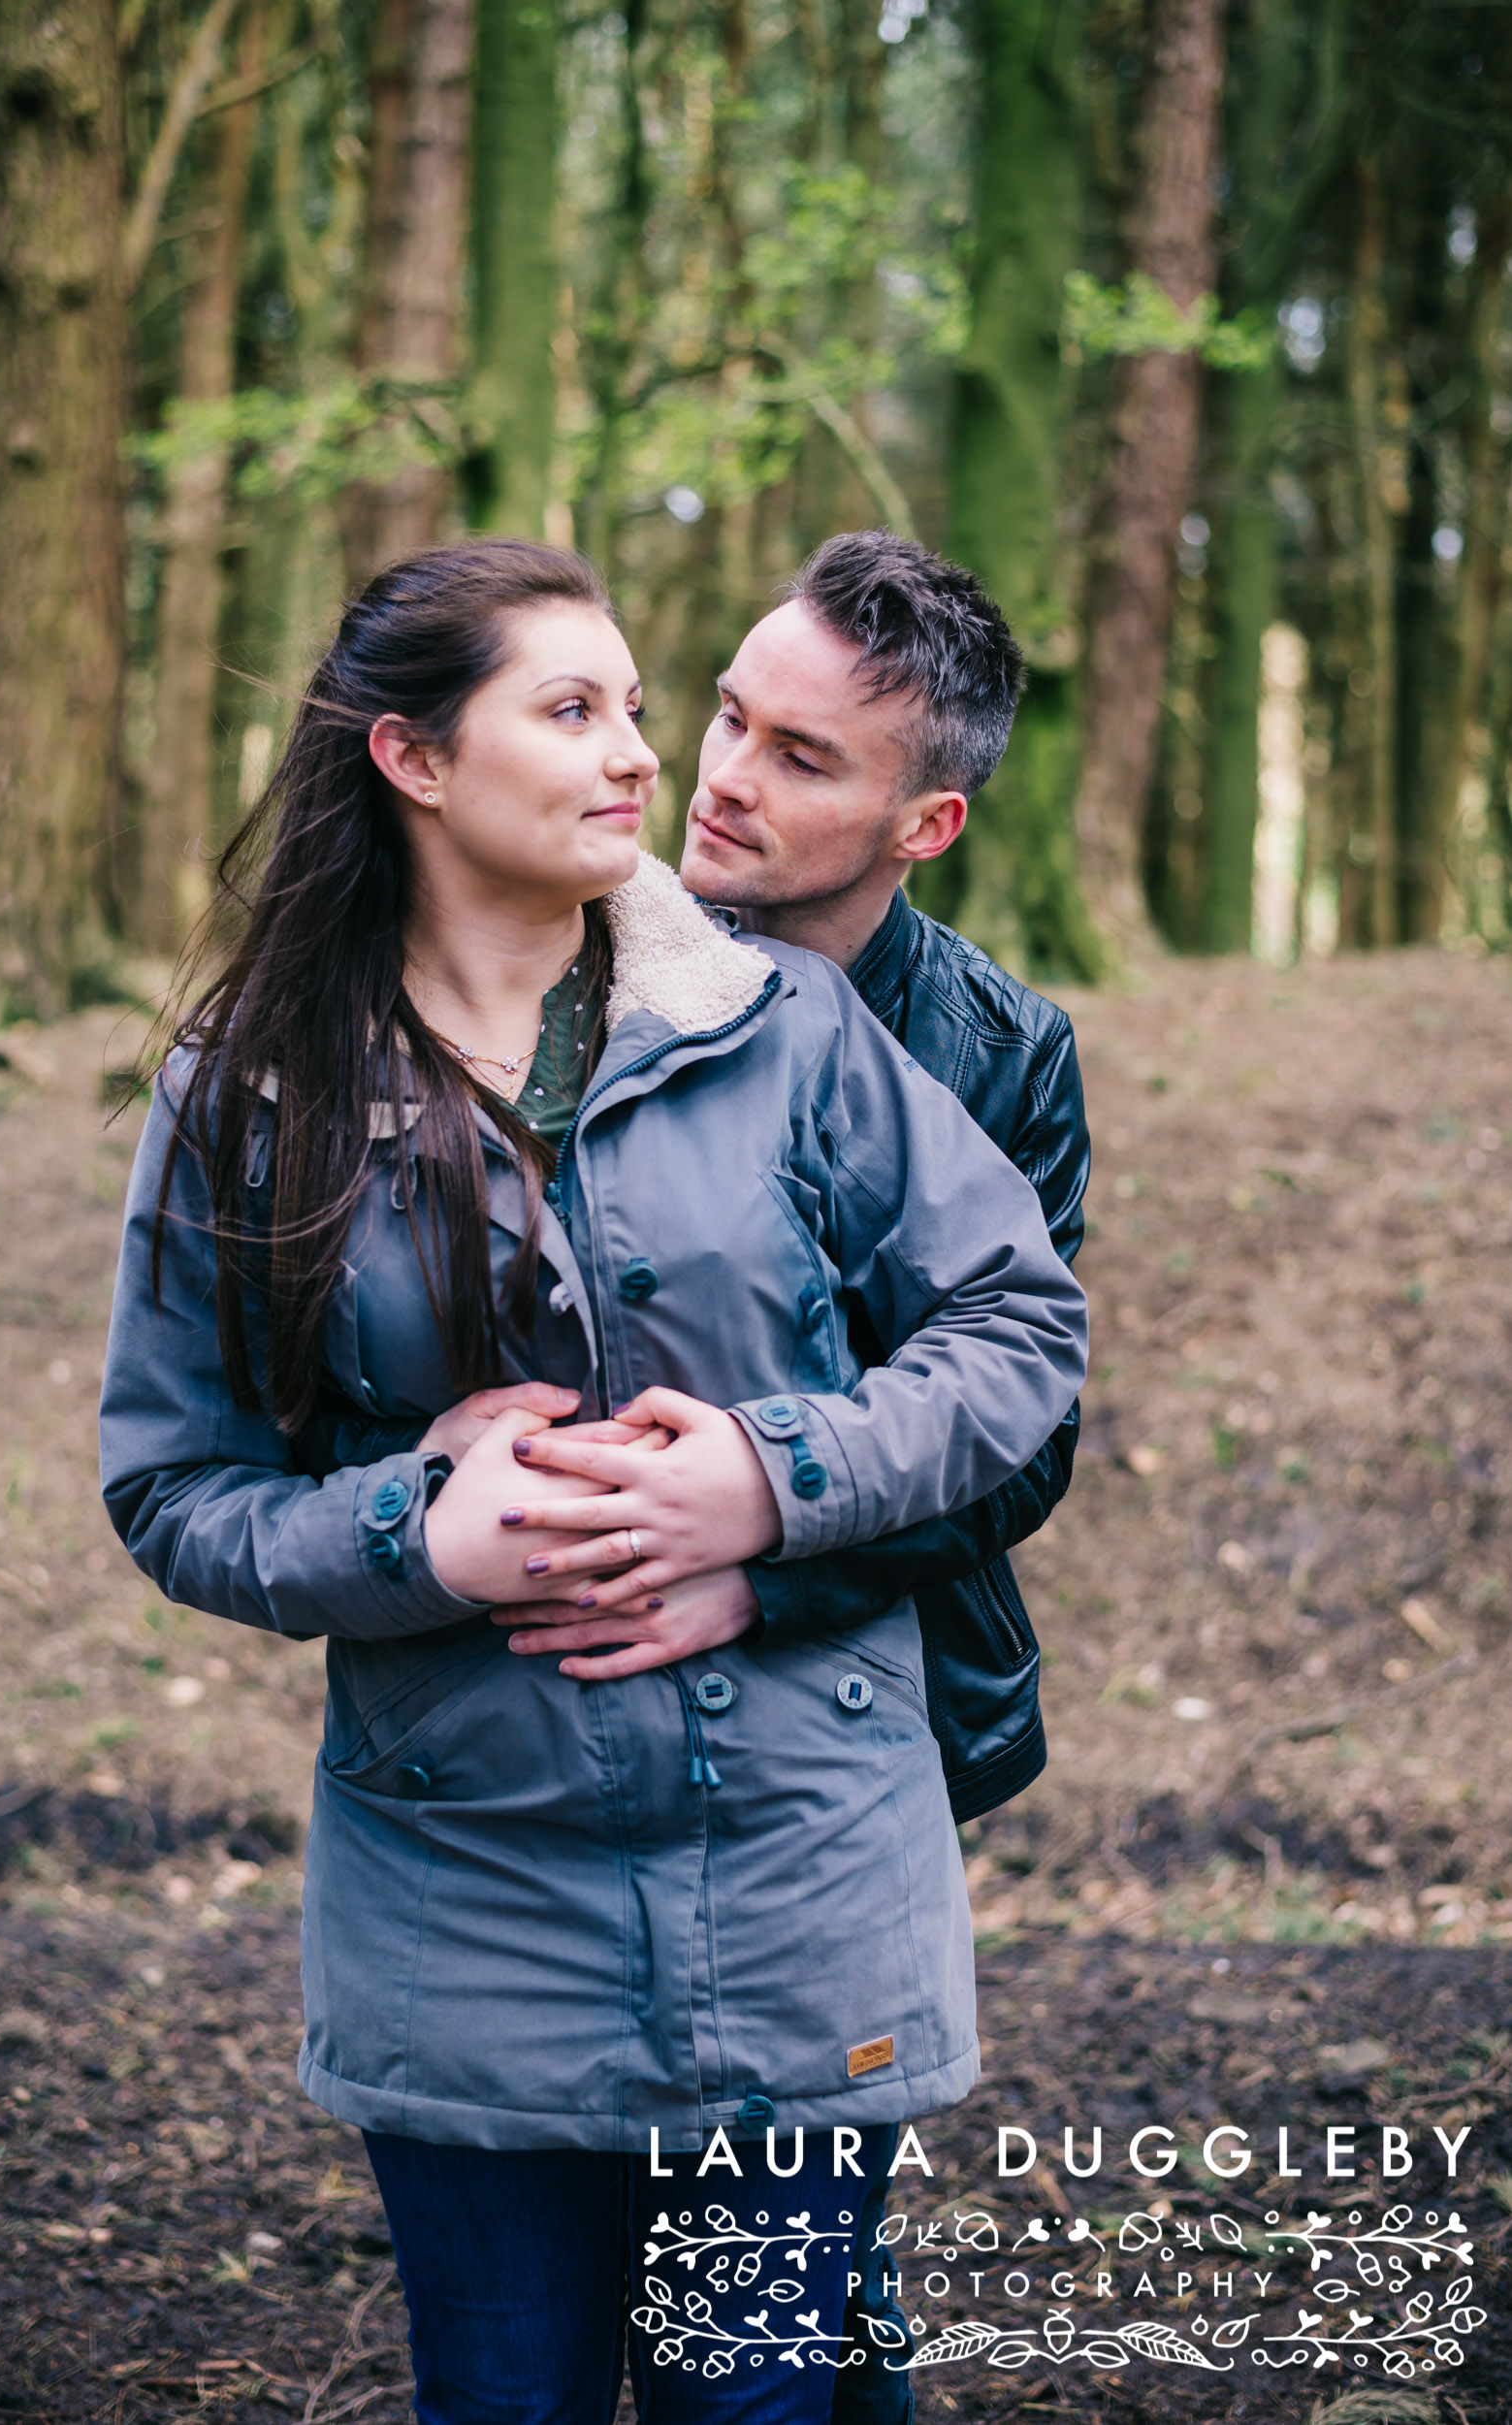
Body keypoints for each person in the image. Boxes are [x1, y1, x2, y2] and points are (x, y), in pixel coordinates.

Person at [99, 539, 1087, 2422]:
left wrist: (759, 1503)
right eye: (620, 709)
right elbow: (178, 1482)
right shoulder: (250, 1086)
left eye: (778, 750)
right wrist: (417, 1527)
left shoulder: (869, 1043)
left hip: (803, 1851)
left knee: (777, 2384)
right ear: (411, 758)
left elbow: (1014, 1364)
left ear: (922, 819)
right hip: (461, 1896)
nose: (678, 766)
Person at [481, 531, 1090, 2424]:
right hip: (567, 1739)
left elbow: (1015, 1427)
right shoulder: (547, 967)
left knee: (769, 2249)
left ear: (929, 821)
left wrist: (762, 1559)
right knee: (661, 2269)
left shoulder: (994, 1051)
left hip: (861, 1716)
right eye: (726, 712)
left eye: (804, 755)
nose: (723, 776)